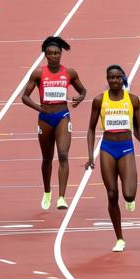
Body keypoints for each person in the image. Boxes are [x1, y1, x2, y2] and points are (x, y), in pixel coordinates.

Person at [85, 64, 140, 252]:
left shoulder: (133, 100)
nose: (114, 80)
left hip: (126, 147)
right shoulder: (99, 100)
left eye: (117, 77)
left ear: (122, 79)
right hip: (107, 147)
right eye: (110, 77)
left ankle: (130, 199)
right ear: (107, 79)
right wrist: (90, 155)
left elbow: (137, 126)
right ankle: (119, 238)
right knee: (112, 193)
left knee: (128, 194)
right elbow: (90, 129)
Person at [21, 36, 88, 210]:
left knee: (63, 155)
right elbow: (24, 96)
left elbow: (83, 90)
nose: (54, 56)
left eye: (57, 53)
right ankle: (47, 192)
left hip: (62, 116)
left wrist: (79, 98)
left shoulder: (69, 73)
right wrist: (38, 108)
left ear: (61, 54)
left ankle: (61, 197)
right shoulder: (38, 74)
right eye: (50, 54)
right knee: (47, 158)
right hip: (44, 119)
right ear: (45, 55)